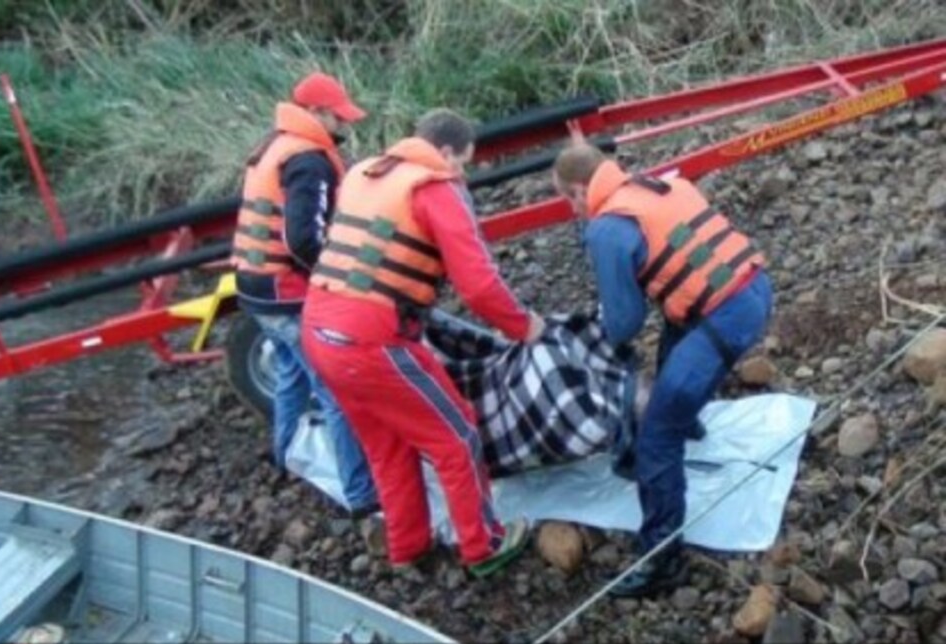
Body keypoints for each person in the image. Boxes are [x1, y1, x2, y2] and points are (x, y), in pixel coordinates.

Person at [301, 109, 546, 577]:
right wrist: (524, 328)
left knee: (388, 446)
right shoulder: (435, 188)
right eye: (463, 164)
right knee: (455, 435)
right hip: (372, 342)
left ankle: (408, 547)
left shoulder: (362, 173)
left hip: (319, 329)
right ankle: (483, 545)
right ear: (447, 152)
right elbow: (477, 286)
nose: (462, 175)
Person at [552, 144, 773, 597]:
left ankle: (661, 558)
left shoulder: (608, 229)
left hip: (726, 317)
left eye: (569, 201)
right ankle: (686, 417)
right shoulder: (662, 184)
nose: (573, 211)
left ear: (580, 189)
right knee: (674, 349)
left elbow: (625, 322)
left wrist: (589, 343)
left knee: (656, 435)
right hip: (755, 287)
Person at [232, 72, 378, 517]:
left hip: (252, 286)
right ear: (315, 112)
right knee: (335, 390)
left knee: (291, 374)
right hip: (284, 292)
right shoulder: (309, 160)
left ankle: (284, 456)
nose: (344, 126)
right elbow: (301, 238)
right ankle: (360, 494)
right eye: (338, 117)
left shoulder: (272, 144)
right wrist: (336, 276)